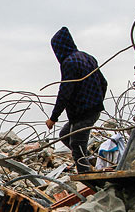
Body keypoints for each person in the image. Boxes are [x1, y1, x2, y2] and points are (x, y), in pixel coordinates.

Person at [45, 26, 107, 173]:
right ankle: (90, 162)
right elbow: (104, 82)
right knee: (65, 135)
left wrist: (53, 118)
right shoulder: (88, 57)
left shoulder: (69, 63)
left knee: (77, 147)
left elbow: (65, 93)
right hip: (90, 111)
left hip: (82, 114)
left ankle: (90, 181)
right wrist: (97, 101)